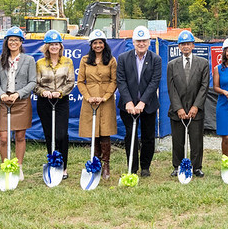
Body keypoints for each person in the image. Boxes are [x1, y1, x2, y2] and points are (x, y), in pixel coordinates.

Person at [0, 26, 36, 181]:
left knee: (20, 136)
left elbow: (32, 82)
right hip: (4, 102)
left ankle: (18, 167)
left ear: (21, 42)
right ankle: (5, 167)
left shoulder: (29, 60)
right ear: (7, 42)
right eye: (11, 40)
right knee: (3, 137)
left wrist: (18, 94)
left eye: (16, 40)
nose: (13, 42)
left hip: (21, 102)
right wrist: (2, 94)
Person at [116, 25, 162, 177]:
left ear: (149, 42)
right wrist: (129, 102)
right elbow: (121, 81)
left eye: (144, 41)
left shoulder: (156, 59)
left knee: (148, 136)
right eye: (138, 41)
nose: (141, 44)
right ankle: (132, 168)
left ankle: (145, 167)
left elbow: (154, 82)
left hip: (148, 105)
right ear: (133, 42)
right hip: (128, 107)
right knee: (131, 136)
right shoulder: (123, 58)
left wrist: (142, 102)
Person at [33, 29, 75, 179]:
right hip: (45, 102)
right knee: (49, 134)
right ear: (46, 47)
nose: (54, 47)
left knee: (62, 134)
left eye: (57, 44)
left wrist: (60, 92)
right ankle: (52, 163)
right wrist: (43, 92)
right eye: (51, 44)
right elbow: (35, 85)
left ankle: (63, 166)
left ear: (61, 46)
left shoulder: (67, 62)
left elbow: (70, 82)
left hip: (61, 101)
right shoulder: (40, 63)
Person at [167, 30, 209, 177]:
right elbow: (171, 88)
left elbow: (204, 87)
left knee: (196, 140)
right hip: (177, 110)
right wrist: (178, 108)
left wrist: (195, 106)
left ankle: (196, 167)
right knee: (178, 140)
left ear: (193, 45)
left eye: (188, 44)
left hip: (195, 109)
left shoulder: (203, 63)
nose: (185, 46)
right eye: (183, 44)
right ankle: (177, 166)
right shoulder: (172, 65)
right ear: (179, 46)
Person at [78, 29, 118, 180]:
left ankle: (106, 165)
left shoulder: (111, 60)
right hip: (90, 101)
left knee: (105, 132)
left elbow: (114, 81)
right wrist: (88, 97)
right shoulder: (85, 60)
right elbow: (81, 81)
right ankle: (96, 164)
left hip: (106, 101)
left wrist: (106, 96)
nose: (98, 45)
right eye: (95, 43)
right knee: (93, 132)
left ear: (104, 44)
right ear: (91, 45)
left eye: (100, 42)